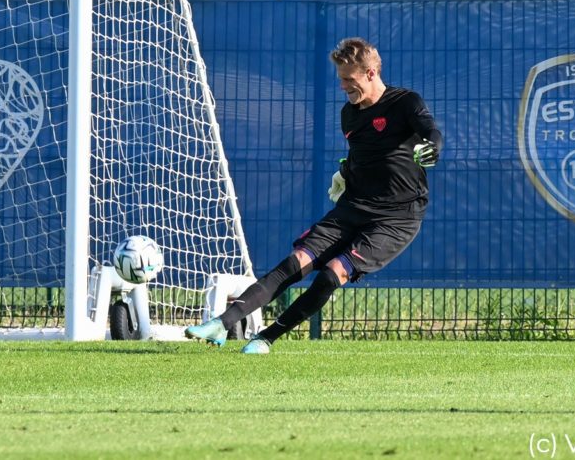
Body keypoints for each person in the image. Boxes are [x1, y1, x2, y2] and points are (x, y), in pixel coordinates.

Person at [185, 37, 443, 354]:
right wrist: (345, 172)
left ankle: (265, 338)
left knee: (333, 272)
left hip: (397, 218)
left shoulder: (405, 102)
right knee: (296, 262)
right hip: (355, 206)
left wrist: (432, 148)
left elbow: (431, 131)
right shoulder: (349, 114)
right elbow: (364, 154)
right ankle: (221, 324)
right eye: (341, 79)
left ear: (371, 73)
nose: (344, 86)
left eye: (350, 79)